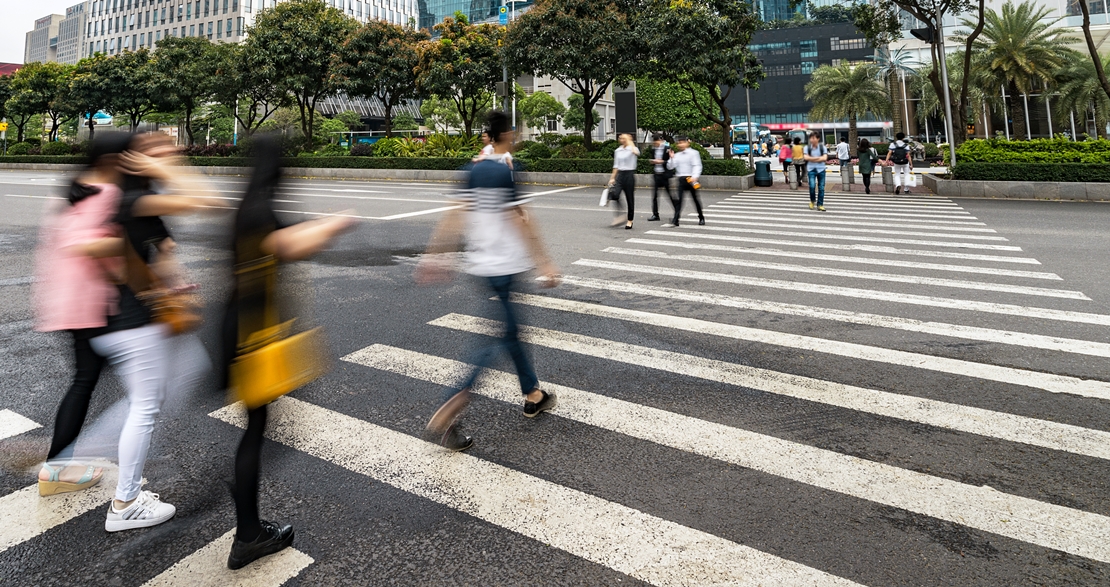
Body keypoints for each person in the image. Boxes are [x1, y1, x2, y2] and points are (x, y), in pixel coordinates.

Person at [223, 136, 355, 569]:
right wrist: (335, 223)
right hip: (253, 332)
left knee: (258, 425)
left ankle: (244, 514)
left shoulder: (246, 203)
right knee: (257, 429)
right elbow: (288, 246)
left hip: (242, 326)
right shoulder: (260, 209)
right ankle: (247, 533)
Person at [416, 110, 561, 452]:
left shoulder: (473, 169)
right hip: (507, 267)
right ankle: (453, 401)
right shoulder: (509, 170)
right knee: (500, 337)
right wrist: (545, 262)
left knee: (512, 332)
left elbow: (453, 215)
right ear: (508, 133)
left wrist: (435, 256)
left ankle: (533, 395)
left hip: (481, 267)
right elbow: (522, 220)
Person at [33, 134, 133, 499]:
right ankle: (58, 467)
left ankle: (61, 463)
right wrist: (131, 243)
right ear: (112, 160)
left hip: (68, 301)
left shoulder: (76, 189)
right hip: (86, 302)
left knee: (89, 377)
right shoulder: (104, 192)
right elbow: (82, 243)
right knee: (90, 380)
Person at [664, 136, 704, 227]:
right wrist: (672, 158)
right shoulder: (677, 155)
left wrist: (695, 176)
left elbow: (697, 165)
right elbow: (670, 167)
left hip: (691, 179)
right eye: (679, 143)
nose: (681, 144)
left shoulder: (694, 153)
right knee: (679, 200)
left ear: (687, 143)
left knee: (695, 200)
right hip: (681, 179)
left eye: (682, 142)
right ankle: (676, 219)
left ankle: (701, 217)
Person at [606, 133, 639, 229]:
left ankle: (630, 220)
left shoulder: (633, 149)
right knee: (615, 194)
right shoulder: (618, 150)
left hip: (629, 175)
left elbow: (636, 153)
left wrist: (630, 142)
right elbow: (616, 165)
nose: (622, 139)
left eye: (624, 138)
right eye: (621, 138)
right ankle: (620, 216)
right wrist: (612, 178)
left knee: (630, 199)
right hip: (620, 175)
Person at [647, 134, 673, 222]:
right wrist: (654, 162)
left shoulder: (667, 149)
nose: (655, 143)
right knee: (654, 196)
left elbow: (671, 161)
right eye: (654, 142)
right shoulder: (654, 150)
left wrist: (661, 161)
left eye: (656, 141)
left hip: (664, 175)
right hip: (656, 175)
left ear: (660, 140)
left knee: (670, 195)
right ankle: (655, 214)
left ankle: (677, 212)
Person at [803, 132, 829, 211]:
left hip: (821, 169)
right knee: (812, 186)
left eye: (814, 138)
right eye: (811, 138)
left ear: (818, 139)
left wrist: (812, 158)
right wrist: (818, 158)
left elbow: (824, 158)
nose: (812, 140)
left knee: (821, 188)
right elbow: (806, 158)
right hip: (811, 169)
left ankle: (820, 204)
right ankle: (812, 201)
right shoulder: (807, 148)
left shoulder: (822, 147)